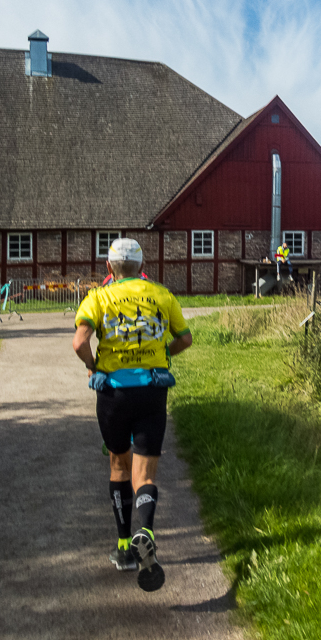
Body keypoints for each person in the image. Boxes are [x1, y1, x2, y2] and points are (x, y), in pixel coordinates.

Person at [72, 237, 192, 591]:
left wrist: (94, 369)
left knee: (119, 467)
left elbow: (80, 342)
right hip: (152, 391)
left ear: (109, 268)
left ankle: (124, 548)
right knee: (146, 471)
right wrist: (163, 354)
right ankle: (146, 530)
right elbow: (185, 339)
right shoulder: (161, 295)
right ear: (143, 267)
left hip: (113, 393)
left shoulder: (97, 297)